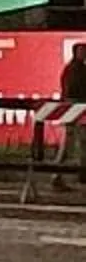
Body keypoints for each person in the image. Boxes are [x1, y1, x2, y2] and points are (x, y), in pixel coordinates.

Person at [57, 38, 86, 188]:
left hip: (77, 109)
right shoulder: (74, 70)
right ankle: (58, 174)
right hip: (74, 108)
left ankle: (80, 174)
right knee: (70, 144)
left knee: (80, 143)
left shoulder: (74, 69)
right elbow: (72, 89)